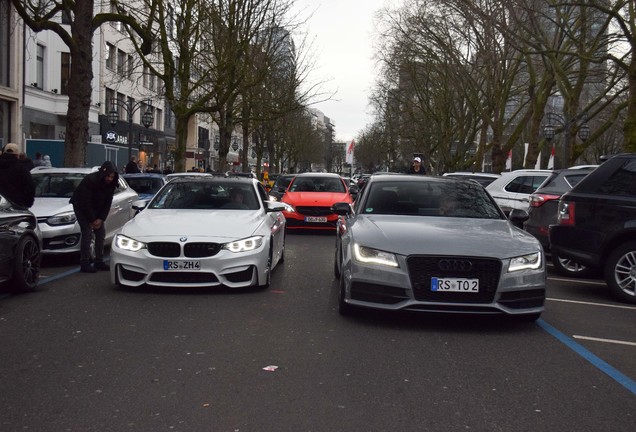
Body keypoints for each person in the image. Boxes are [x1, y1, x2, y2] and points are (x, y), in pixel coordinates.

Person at [70, 161, 119, 273]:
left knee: (101, 233)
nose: (109, 179)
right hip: (81, 207)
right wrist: (92, 220)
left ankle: (99, 261)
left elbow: (107, 203)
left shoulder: (111, 185)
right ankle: (84, 263)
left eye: (112, 177)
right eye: (108, 176)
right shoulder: (90, 181)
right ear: (103, 174)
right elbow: (85, 202)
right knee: (87, 232)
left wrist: (101, 219)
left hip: (97, 208)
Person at [0, 143, 35, 208]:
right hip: (17, 205)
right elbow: (30, 187)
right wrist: (28, 203)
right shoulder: (21, 168)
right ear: (17, 155)